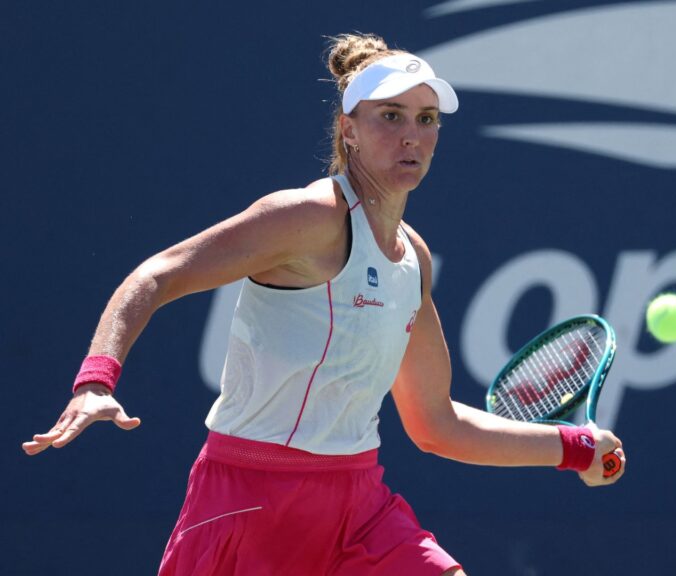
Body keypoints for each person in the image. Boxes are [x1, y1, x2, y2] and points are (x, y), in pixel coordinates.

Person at [22, 33, 626, 575]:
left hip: (358, 506)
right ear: (349, 129)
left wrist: (571, 449)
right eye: (391, 116)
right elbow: (158, 274)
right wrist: (95, 380)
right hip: (248, 503)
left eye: (427, 118)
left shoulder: (412, 256)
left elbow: (436, 423)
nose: (412, 134)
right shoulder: (308, 217)